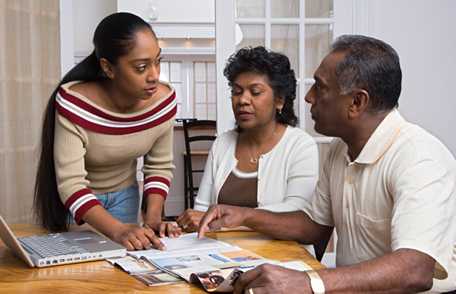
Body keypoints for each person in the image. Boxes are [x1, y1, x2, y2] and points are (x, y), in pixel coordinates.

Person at [198, 35, 456, 293]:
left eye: (319, 88)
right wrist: (245, 215)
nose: (309, 97)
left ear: (356, 102)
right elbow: (313, 226)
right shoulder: (340, 148)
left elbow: (415, 269)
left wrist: (308, 282)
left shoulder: (420, 157)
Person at [34, 12, 181, 251]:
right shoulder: (75, 104)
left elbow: (159, 167)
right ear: (108, 68)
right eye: (142, 67)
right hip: (80, 205)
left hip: (125, 194)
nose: (154, 75)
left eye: (157, 61)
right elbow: (71, 185)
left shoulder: (163, 102)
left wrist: (153, 218)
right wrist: (118, 229)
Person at [176, 46, 319, 232]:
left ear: (279, 100)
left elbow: (297, 213)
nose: (242, 100)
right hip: (222, 258)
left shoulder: (300, 145)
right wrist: (188, 223)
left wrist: (236, 218)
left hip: (281, 257)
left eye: (255, 92)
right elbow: (202, 211)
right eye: (236, 91)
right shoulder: (222, 143)